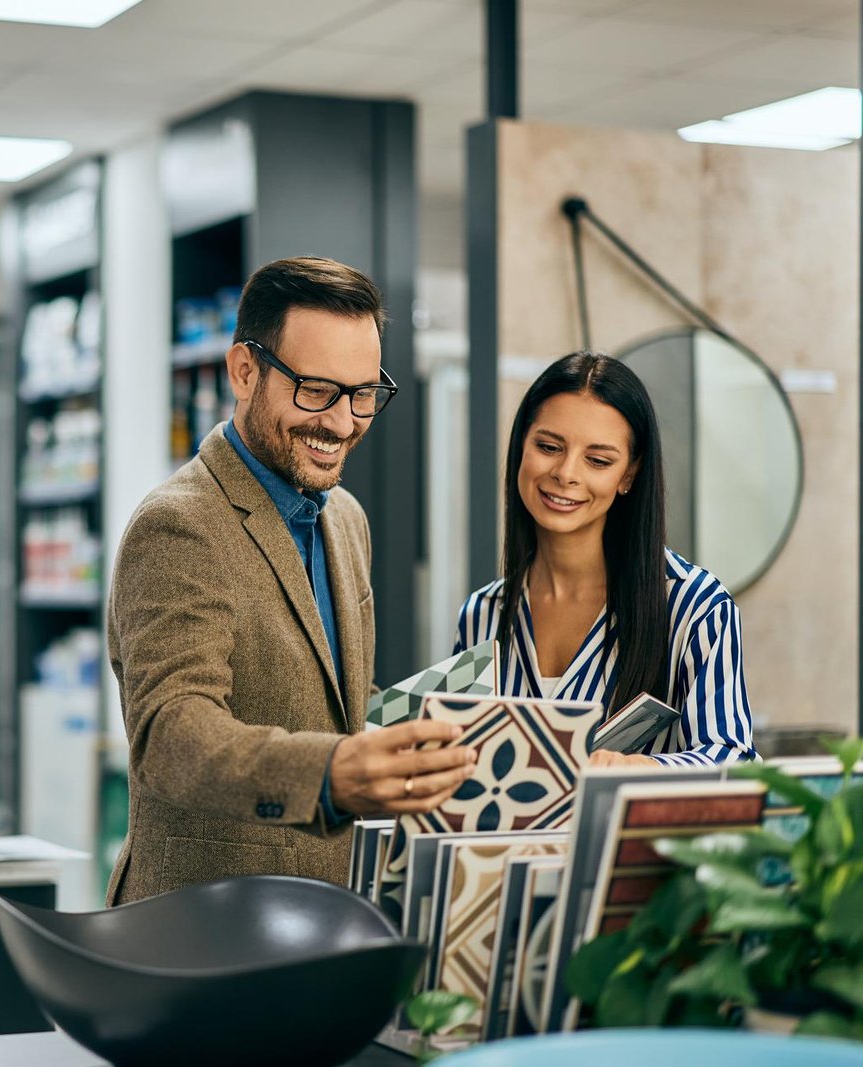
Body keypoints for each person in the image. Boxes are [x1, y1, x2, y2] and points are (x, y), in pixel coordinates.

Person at [106, 256, 476, 906]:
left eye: (363, 394)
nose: (342, 422)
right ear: (244, 372)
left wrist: (438, 731)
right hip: (203, 925)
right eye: (316, 389)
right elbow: (171, 732)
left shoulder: (345, 519)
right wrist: (331, 773)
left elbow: (331, 703)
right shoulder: (181, 525)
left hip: (325, 912)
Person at [455, 351, 756, 766]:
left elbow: (734, 759)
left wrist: (636, 768)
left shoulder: (694, 605)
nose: (566, 473)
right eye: (548, 447)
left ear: (628, 474)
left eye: (598, 461)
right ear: (521, 445)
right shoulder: (481, 615)